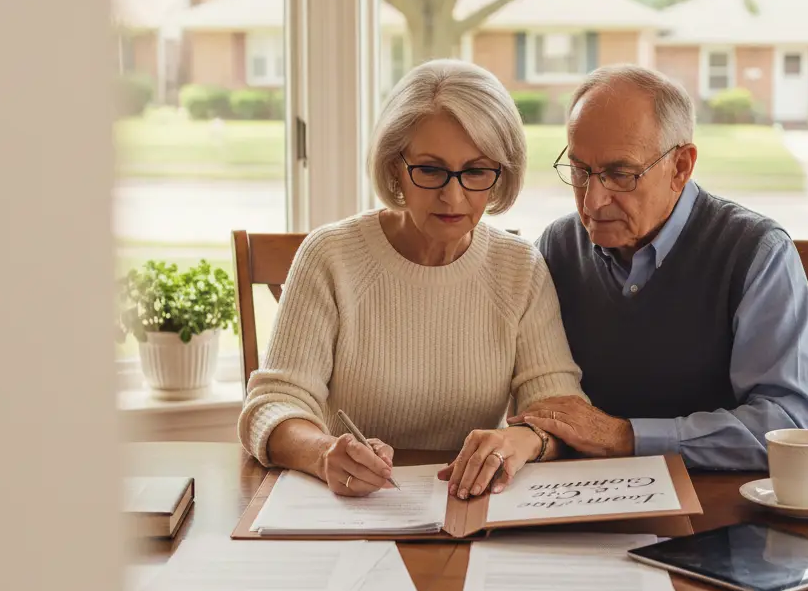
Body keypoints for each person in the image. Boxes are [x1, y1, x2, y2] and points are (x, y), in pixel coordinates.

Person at [238, 59, 585, 499]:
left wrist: (519, 441)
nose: (453, 196)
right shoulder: (330, 256)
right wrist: (325, 453)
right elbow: (271, 405)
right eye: (430, 169)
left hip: (469, 507)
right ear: (394, 167)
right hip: (350, 511)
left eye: (476, 171)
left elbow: (559, 411)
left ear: (502, 174)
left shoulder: (521, 268)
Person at [516, 64, 808, 469]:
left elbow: (788, 424)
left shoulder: (756, 253)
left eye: (620, 174)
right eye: (581, 171)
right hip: (580, 503)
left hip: (715, 512)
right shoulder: (557, 247)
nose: (592, 201)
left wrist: (626, 437)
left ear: (681, 167)